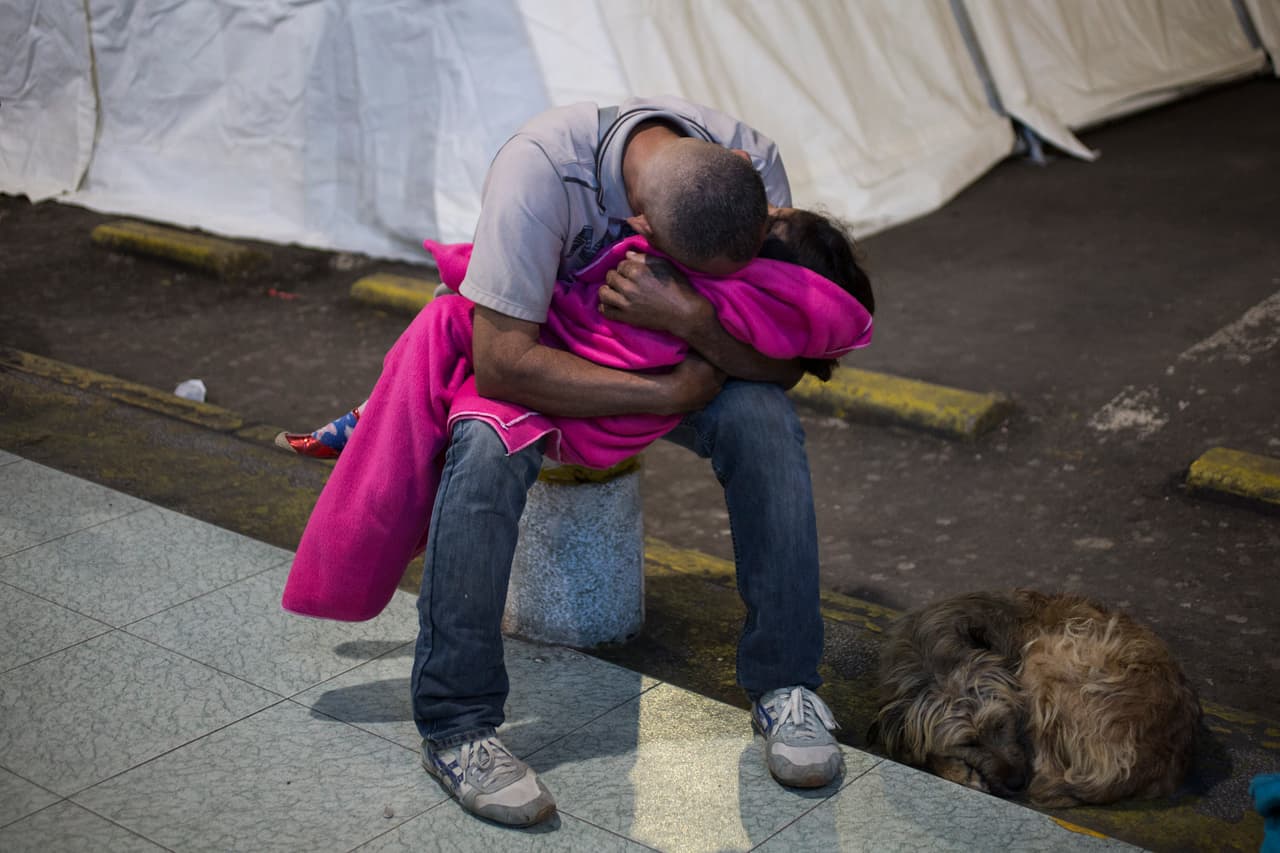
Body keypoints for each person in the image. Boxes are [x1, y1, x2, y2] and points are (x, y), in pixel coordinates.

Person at [294, 95, 862, 827]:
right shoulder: (534, 176)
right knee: (484, 442)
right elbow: (502, 363)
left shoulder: (749, 158)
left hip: (683, 357)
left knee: (764, 418)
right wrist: (664, 390)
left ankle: (787, 682)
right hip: (546, 361)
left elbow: (785, 361)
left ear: (749, 180)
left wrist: (690, 319)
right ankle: (456, 723)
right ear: (642, 230)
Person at [276, 208, 874, 459]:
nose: (765, 208)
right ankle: (379, 427)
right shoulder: (718, 208)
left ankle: (376, 431)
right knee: (456, 329)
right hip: (609, 376)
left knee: (450, 319)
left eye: (774, 221)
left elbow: (789, 365)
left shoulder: (724, 282)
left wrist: (687, 319)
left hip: (594, 386)